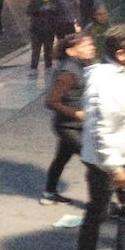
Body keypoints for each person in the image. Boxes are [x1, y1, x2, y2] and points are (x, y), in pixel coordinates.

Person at [75, 24, 125, 250]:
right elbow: (100, 127)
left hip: (121, 157)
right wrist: (114, 166)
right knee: (98, 210)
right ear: (121, 54)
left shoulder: (121, 74)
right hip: (104, 163)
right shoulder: (103, 79)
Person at [41, 33, 96, 204]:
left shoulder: (85, 64)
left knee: (61, 158)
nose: (91, 48)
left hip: (78, 125)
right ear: (71, 52)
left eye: (91, 45)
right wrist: (76, 113)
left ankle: (49, 193)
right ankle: (110, 203)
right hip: (68, 127)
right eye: (85, 46)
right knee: (97, 163)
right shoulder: (68, 72)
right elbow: (50, 101)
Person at [26, 0, 65, 74]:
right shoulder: (35, 0)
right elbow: (29, 11)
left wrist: (53, 9)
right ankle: (33, 67)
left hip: (49, 29)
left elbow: (61, 11)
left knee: (48, 49)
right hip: (36, 29)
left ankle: (48, 66)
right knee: (36, 49)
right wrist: (40, 10)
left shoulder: (55, 0)